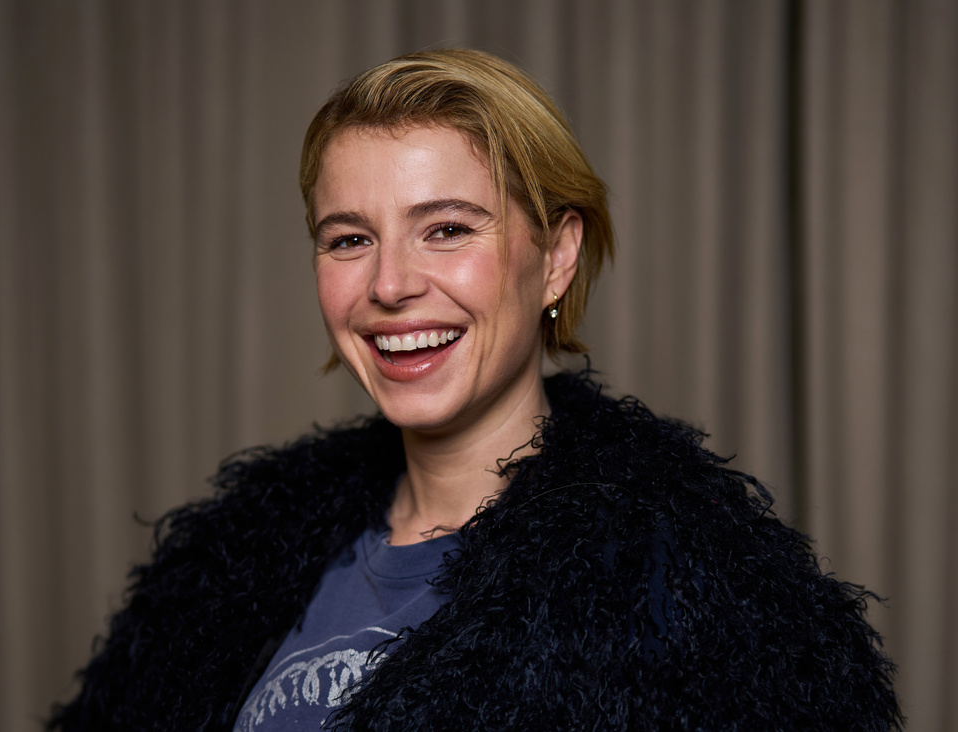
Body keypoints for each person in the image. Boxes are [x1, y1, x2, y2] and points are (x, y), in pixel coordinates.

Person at [48, 49, 900, 731]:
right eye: (348, 239)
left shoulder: (691, 584)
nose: (389, 284)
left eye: (447, 229)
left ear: (557, 256)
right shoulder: (222, 572)